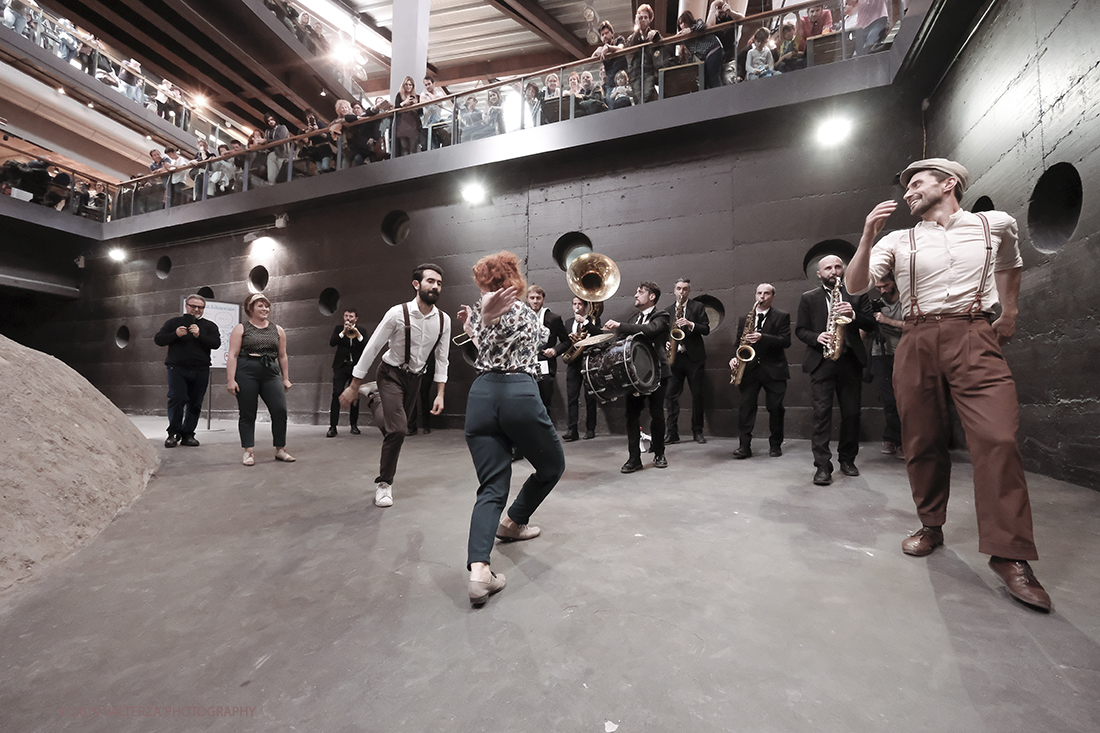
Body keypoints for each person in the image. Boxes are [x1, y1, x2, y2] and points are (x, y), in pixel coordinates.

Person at [846, 158, 1051, 612]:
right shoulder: (899, 240)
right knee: (922, 439)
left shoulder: (993, 225)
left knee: (998, 438)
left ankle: (1010, 555)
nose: (908, 193)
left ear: (949, 184)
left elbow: (1011, 266)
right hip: (916, 337)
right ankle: (931, 524)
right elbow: (856, 284)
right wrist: (866, 237)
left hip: (974, 333)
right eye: (906, 187)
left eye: (917, 184)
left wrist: (1010, 312)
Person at [457, 251, 565, 607]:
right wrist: (483, 324)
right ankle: (515, 521)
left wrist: (475, 327)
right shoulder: (523, 312)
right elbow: (535, 344)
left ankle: (479, 572)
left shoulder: (478, 311)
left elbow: (488, 351)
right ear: (514, 276)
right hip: (518, 393)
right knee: (551, 466)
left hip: (482, 396)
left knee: (490, 486)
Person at [339, 264, 451, 508]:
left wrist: (440, 393)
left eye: (439, 283)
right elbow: (373, 347)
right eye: (430, 281)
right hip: (390, 374)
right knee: (399, 430)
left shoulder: (444, 320)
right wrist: (354, 383)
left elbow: (442, 359)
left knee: (395, 428)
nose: (435, 286)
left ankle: (374, 397)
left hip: (416, 378)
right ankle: (384, 484)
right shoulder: (397, 313)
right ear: (416, 284)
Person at [796, 255, 875, 486]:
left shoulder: (858, 295)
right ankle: (822, 466)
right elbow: (800, 330)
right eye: (828, 268)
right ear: (819, 274)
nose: (834, 271)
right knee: (821, 415)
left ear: (844, 269)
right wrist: (816, 336)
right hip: (822, 361)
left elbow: (871, 324)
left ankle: (848, 460)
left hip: (850, 360)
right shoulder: (808, 298)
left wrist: (853, 315)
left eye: (838, 266)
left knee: (851, 414)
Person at [604, 282, 670, 473]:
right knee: (631, 416)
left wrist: (621, 325)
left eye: (640, 292)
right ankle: (634, 458)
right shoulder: (634, 318)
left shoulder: (662, 315)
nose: (635, 295)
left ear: (652, 297)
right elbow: (620, 342)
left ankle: (659, 453)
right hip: (634, 376)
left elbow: (649, 330)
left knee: (657, 414)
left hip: (656, 373)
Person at [226, 293, 295, 466]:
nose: (265, 309)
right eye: (260, 305)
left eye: (267, 306)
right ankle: (248, 451)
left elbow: (283, 355)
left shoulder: (277, 329)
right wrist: (231, 380)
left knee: (280, 410)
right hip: (247, 370)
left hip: (270, 371)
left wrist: (286, 378)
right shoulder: (241, 328)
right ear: (251, 309)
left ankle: (280, 449)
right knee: (248, 412)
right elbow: (233, 355)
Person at [731, 283, 791, 458]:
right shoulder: (745, 319)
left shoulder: (782, 316)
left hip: (774, 370)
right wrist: (734, 357)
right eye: (759, 293)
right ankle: (744, 446)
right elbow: (738, 343)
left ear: (773, 296)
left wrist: (762, 337)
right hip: (750, 369)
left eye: (766, 293)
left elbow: (785, 341)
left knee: (775, 408)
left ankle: (775, 444)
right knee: (746, 407)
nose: (762, 297)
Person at [153, 294, 221, 448]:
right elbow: (159, 339)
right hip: (177, 368)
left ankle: (188, 434)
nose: (196, 309)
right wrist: (175, 335)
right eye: (193, 306)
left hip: (201, 369)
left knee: (195, 402)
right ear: (186, 306)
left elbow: (216, 343)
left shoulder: (209, 326)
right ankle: (173, 433)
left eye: (200, 307)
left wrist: (199, 335)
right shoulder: (173, 323)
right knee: (177, 399)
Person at [663, 278, 710, 445]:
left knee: (697, 395)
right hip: (675, 358)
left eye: (684, 289)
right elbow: (662, 333)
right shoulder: (668, 311)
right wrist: (666, 342)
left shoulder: (697, 307)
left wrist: (691, 324)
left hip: (694, 359)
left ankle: (697, 432)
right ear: (674, 290)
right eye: (678, 289)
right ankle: (672, 433)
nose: (681, 292)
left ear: (689, 291)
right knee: (670, 396)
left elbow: (706, 329)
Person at [870, 272, 904, 458]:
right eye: (878, 288)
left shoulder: (906, 301)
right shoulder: (877, 304)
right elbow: (865, 331)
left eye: (886, 285)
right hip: (880, 354)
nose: (882, 290)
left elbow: (914, 325)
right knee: (888, 399)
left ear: (894, 282)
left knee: (904, 399)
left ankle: (898, 439)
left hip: (904, 354)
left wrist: (886, 321)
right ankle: (893, 439)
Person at [561, 296, 601, 442]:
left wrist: (584, 322)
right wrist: (571, 338)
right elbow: (566, 342)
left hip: (588, 361)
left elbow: (598, 334)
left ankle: (591, 429)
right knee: (572, 397)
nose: (577, 307)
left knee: (590, 397)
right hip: (573, 363)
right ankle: (572, 429)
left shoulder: (592, 320)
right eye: (574, 304)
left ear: (585, 306)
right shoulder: (568, 322)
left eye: (579, 304)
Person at [525, 285, 569, 414]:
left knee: (544, 402)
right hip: (525, 365)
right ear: (527, 299)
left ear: (543, 299)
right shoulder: (522, 318)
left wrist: (555, 351)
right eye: (532, 298)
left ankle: (545, 432)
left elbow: (567, 341)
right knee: (526, 401)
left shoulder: (553, 318)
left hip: (545, 365)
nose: (535, 301)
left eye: (538, 298)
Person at [327, 309, 365, 438]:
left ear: (356, 318)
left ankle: (354, 425)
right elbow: (332, 343)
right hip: (340, 367)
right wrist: (343, 332)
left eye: (351, 316)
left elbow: (365, 345)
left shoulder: (362, 331)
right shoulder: (338, 329)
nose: (348, 318)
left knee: (354, 397)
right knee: (336, 394)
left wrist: (357, 332)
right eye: (346, 316)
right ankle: (333, 427)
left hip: (355, 368)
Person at [675, 10, 724, 90]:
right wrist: (677, 36)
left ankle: (721, 97)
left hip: (713, 49)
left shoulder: (697, 22)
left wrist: (691, 29)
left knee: (713, 77)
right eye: (680, 23)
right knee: (706, 81)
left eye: (684, 22)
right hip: (704, 58)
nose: (683, 25)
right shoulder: (683, 37)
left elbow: (702, 26)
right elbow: (672, 43)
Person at [625, 4, 661, 103]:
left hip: (649, 72)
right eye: (640, 17)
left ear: (650, 20)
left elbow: (661, 48)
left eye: (646, 17)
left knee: (648, 96)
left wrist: (656, 37)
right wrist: (637, 29)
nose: (643, 20)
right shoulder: (632, 37)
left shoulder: (654, 34)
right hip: (636, 74)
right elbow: (628, 50)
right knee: (638, 99)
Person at [707, 1, 746, 84]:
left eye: (722, 5)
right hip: (716, 61)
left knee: (729, 83)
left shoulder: (731, 16)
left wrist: (730, 11)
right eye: (718, 7)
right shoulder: (713, 19)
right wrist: (713, 7)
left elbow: (742, 19)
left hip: (729, 59)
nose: (720, 9)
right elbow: (708, 28)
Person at [591, 20, 627, 99]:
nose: (604, 36)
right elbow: (592, 61)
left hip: (622, 81)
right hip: (610, 83)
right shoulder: (602, 49)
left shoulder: (619, 40)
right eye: (602, 34)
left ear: (612, 33)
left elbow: (621, 48)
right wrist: (597, 51)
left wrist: (608, 48)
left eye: (606, 33)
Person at [393, 75, 421, 157]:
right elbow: (396, 108)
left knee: (413, 147)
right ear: (403, 85)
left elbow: (421, 112)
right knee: (404, 147)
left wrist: (416, 105)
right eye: (406, 84)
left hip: (413, 124)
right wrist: (405, 102)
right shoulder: (399, 95)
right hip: (402, 123)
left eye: (410, 85)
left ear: (413, 86)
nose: (408, 86)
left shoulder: (417, 97)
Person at [263, 112, 290, 185]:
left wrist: (267, 141)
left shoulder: (282, 128)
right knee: (272, 174)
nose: (270, 122)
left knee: (283, 175)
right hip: (273, 153)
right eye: (268, 121)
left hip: (283, 153)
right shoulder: (268, 132)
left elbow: (280, 140)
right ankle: (271, 183)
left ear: (275, 119)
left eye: (271, 119)